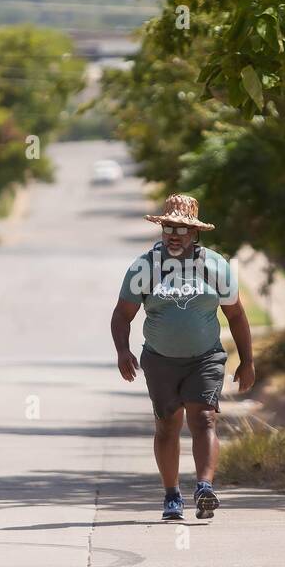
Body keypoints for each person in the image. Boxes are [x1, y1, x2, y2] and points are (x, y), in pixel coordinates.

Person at [110, 193, 256, 521]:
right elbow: (122, 314)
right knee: (167, 425)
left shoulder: (215, 266)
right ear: (162, 230)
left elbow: (236, 316)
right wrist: (123, 350)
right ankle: (172, 494)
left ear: (195, 233)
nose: (175, 235)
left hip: (205, 357)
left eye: (182, 229)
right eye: (169, 228)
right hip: (160, 359)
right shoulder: (145, 267)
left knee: (204, 418)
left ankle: (204, 487)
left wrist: (247, 361)